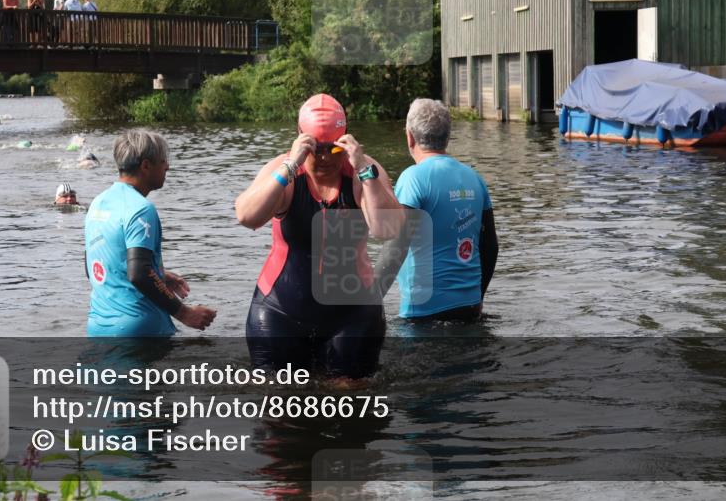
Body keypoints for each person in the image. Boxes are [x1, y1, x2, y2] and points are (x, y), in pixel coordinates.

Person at [235, 94, 402, 379]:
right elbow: (247, 217)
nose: (324, 158)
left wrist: (363, 170)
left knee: (352, 407)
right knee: (280, 409)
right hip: (280, 311)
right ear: (301, 139)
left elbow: (387, 230)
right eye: (316, 149)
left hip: (351, 315)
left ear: (346, 140)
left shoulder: (364, 170)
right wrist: (289, 166)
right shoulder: (285, 170)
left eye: (333, 149)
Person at [373, 99, 499, 322]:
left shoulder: (413, 178)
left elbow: (396, 246)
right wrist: (478, 297)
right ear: (448, 137)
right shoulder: (475, 179)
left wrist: (367, 302)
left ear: (409, 137)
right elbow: (490, 246)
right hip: (469, 309)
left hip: (424, 314)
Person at [84, 129, 217, 336]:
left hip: (98, 327)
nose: (168, 166)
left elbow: (93, 267)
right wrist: (185, 313)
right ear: (146, 166)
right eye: (163, 161)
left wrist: (159, 275)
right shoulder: (141, 209)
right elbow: (139, 273)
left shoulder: (98, 203)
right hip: (141, 331)